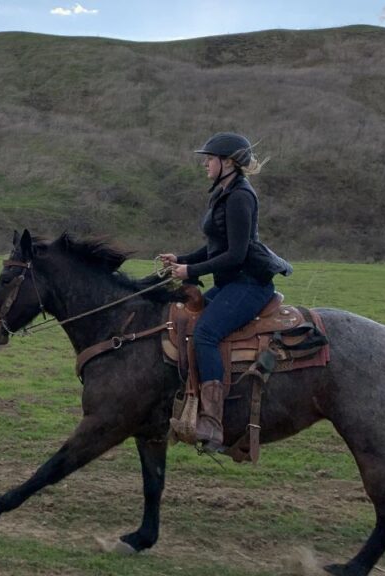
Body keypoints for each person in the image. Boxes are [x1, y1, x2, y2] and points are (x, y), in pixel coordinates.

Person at [158, 132, 292, 452]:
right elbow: (214, 245)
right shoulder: (222, 191)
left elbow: (235, 253)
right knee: (188, 321)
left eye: (210, 158)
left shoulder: (240, 197)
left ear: (228, 163)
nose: (205, 163)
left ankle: (213, 424)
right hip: (231, 283)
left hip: (248, 285)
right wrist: (183, 259)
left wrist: (190, 272)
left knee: (205, 334)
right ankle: (189, 401)